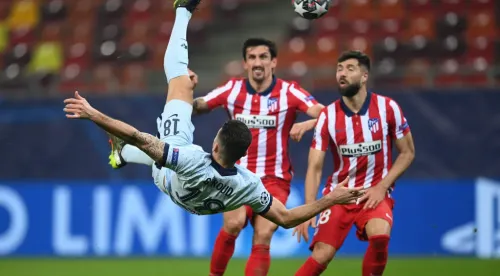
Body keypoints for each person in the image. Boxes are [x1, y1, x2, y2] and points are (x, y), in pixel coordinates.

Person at [62, 1, 364, 241]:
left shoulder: (191, 158)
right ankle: (122, 154)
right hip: (194, 203)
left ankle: (183, 9)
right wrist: (332, 198)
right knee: (145, 140)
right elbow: (287, 218)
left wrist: (93, 115)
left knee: (178, 83)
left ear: (216, 143)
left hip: (170, 178)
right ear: (242, 157)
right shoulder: (248, 184)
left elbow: (139, 136)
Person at [189, 37, 324, 276]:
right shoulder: (232, 90)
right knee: (233, 224)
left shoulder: (289, 92)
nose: (258, 62)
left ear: (274, 62)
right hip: (236, 174)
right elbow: (200, 106)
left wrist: (309, 122)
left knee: (263, 235)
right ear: (245, 63)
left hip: (275, 179)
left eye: (264, 57)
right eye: (252, 57)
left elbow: (325, 112)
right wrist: (184, 91)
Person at [282, 50, 415, 276]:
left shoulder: (388, 108)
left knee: (380, 235)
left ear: (364, 76)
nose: (342, 73)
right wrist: (310, 206)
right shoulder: (328, 116)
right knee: (321, 256)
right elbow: (315, 166)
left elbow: (408, 152)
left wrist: (381, 186)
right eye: (339, 68)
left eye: (350, 68)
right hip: (339, 195)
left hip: (375, 191)